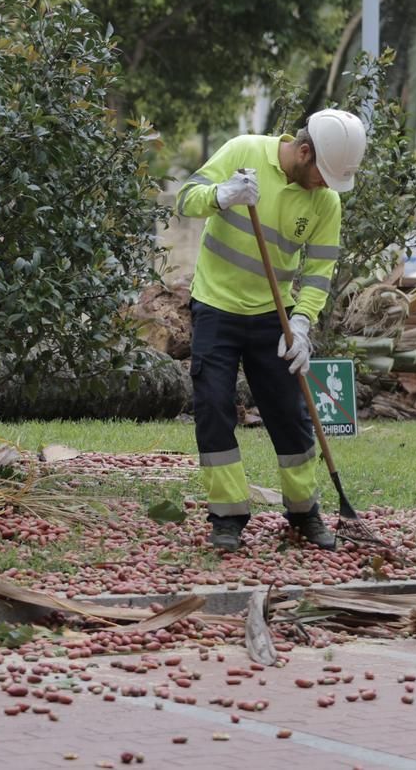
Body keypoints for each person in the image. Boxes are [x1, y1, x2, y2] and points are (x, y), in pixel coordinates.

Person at [174, 109, 368, 552]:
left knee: (290, 415)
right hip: (215, 308)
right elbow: (185, 198)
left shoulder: (326, 202)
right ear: (303, 151)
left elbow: (319, 273)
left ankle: (304, 514)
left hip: (273, 316)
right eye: (323, 175)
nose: (326, 186)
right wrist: (221, 195)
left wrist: (301, 326)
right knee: (214, 408)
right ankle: (227, 518)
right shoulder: (243, 151)